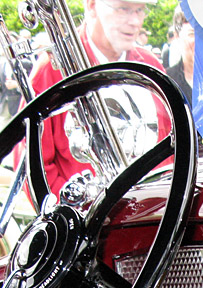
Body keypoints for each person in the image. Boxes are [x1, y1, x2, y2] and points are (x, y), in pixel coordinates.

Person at [29, 0, 168, 195]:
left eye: (140, 10)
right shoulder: (52, 69)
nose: (135, 21)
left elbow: (169, 147)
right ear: (92, 6)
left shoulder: (151, 66)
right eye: (124, 9)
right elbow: (34, 168)